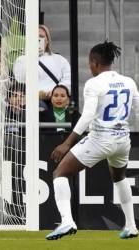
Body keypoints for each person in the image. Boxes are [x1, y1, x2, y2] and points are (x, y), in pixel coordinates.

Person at [46, 41, 138, 240]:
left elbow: (87, 116)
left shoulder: (94, 83)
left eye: (90, 63)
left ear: (94, 62)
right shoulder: (129, 82)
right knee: (119, 178)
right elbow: (137, 111)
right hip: (122, 139)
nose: (89, 66)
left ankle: (67, 221)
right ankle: (131, 225)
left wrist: (67, 143)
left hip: (100, 138)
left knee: (60, 172)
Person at [13, 25, 71, 108]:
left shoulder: (60, 59)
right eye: (35, 37)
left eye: (41, 37)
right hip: (32, 101)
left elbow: (68, 79)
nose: (38, 39)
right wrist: (31, 57)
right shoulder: (21, 60)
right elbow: (20, 80)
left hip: (56, 99)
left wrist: (56, 92)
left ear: (47, 40)